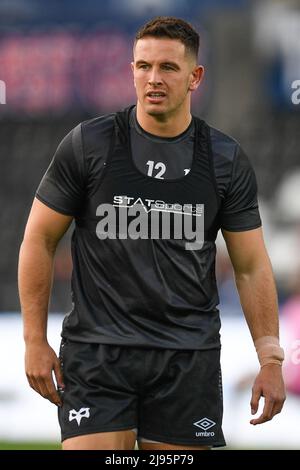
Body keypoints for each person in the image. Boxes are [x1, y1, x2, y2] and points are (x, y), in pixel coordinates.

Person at [18, 16, 286, 450]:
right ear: (131, 71)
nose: (153, 78)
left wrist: (271, 358)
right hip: (98, 354)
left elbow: (252, 266)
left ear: (195, 76)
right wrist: (34, 340)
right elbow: (38, 240)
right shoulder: (89, 144)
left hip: (187, 360)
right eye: (143, 66)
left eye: (168, 68)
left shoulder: (225, 160)